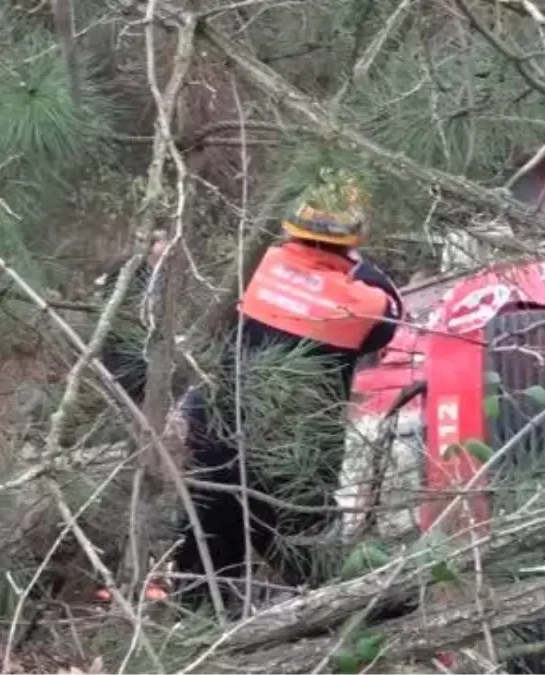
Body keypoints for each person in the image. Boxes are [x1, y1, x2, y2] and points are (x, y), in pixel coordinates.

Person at [172, 170, 403, 613]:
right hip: (294, 455)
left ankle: (196, 632)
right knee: (311, 554)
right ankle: (354, 623)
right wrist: (358, 267)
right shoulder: (364, 302)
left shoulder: (253, 271)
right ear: (355, 237)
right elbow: (389, 322)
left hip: (216, 432)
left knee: (207, 553)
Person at [99, 228, 171, 402]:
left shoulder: (165, 274)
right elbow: (113, 303)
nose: (169, 245)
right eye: (163, 241)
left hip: (148, 337)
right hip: (123, 337)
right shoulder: (128, 268)